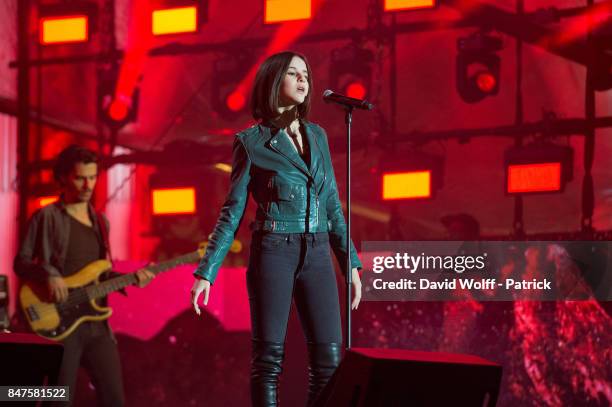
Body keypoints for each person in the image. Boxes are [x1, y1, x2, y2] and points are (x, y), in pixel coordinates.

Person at [190, 51, 363, 407]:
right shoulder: (250, 143)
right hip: (274, 250)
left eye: (306, 74)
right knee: (269, 362)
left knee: (329, 363)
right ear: (273, 81)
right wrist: (207, 270)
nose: (303, 80)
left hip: (316, 252)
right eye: (293, 73)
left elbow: (331, 203)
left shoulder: (318, 136)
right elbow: (232, 212)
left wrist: (350, 262)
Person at [14, 145, 155, 407]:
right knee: (58, 400)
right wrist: (49, 275)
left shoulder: (101, 222)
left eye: (92, 177)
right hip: (59, 322)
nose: (88, 184)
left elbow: (99, 270)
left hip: (97, 325)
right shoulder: (47, 217)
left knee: (114, 399)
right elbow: (20, 263)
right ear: (63, 178)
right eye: (80, 177)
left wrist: (131, 278)